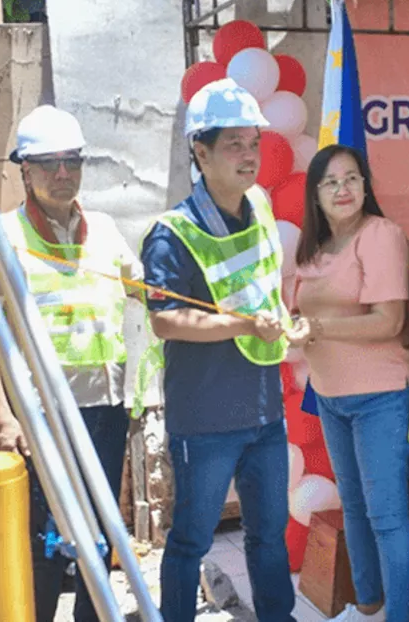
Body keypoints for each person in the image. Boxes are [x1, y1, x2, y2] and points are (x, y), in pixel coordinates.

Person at [141, 78, 295, 622]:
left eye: (253, 142)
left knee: (268, 536)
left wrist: (283, 325)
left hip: (263, 410)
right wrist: (242, 326)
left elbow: (267, 290)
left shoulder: (260, 206)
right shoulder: (171, 233)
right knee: (190, 541)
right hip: (205, 418)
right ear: (199, 152)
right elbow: (164, 321)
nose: (248, 156)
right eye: (233, 144)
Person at [0, 104, 141, 622]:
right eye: (49, 163)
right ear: (24, 171)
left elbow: (144, 290)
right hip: (43, 414)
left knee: (98, 533)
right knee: (45, 540)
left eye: (72, 162)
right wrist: (5, 414)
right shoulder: (4, 236)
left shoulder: (103, 227)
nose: (62, 174)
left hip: (104, 406)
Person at [285, 144, 409, 622]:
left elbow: (388, 321)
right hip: (329, 394)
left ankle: (399, 615)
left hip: (380, 395)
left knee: (385, 514)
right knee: (355, 507)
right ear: (315, 194)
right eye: (331, 182)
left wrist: (317, 329)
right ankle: (368, 607)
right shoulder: (312, 249)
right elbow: (296, 313)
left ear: (366, 185)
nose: (343, 189)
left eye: (352, 178)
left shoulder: (380, 235)